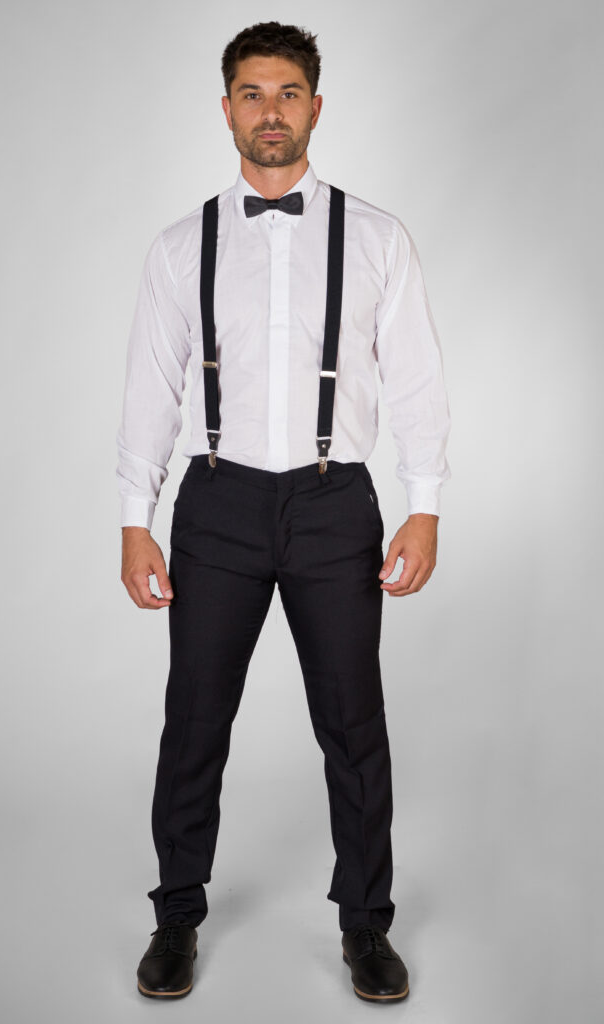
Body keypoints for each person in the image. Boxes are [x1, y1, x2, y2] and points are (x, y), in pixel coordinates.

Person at [116, 21, 450, 1004]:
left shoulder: (377, 237)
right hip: (217, 501)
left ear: (315, 106)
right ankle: (176, 915)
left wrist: (424, 503)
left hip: (334, 502)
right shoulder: (181, 246)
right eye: (253, 93)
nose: (271, 111)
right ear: (226, 109)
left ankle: (366, 924)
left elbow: (417, 379)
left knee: (353, 722)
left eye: (288, 92)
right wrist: (135, 517)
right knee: (194, 720)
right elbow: (151, 387)